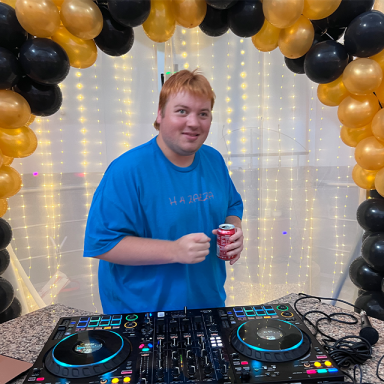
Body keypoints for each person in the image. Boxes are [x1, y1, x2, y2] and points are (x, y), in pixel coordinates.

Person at [83, 69, 244, 314]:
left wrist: (234, 230)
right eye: (182, 111)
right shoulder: (127, 170)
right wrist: (173, 251)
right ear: (160, 115)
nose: (193, 122)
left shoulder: (214, 160)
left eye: (203, 113)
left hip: (208, 305)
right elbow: (103, 244)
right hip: (140, 313)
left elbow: (231, 206)